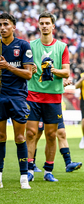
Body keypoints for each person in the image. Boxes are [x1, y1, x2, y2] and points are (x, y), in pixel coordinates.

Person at [25, 12, 81, 182]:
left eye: (47, 23)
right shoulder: (30, 46)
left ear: (53, 26)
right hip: (33, 95)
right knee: (31, 133)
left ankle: (48, 170)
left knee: (51, 135)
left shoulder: (62, 47)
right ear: (38, 25)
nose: (44, 26)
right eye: (41, 23)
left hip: (53, 97)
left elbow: (66, 72)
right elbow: (24, 68)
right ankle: (29, 170)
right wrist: (31, 69)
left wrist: (52, 70)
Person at [0, 13, 33, 189]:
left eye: (6, 24)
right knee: (0, 136)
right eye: (0, 25)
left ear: (13, 27)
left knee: (20, 137)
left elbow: (28, 74)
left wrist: (8, 66)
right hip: (0, 95)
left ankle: (23, 177)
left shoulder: (22, 46)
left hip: (17, 96)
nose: (2, 27)